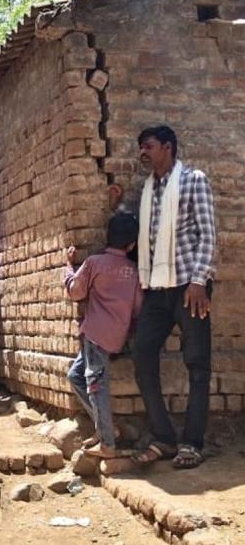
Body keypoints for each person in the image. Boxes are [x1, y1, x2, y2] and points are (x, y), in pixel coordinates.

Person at [124, 126, 216, 470]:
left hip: (190, 288)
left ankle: (192, 443)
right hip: (157, 290)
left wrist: (199, 281)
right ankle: (163, 437)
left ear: (167, 147)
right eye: (140, 147)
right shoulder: (148, 189)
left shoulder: (193, 180)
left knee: (197, 363)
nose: (143, 153)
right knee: (142, 354)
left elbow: (207, 235)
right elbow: (145, 236)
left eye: (148, 146)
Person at [65, 214, 141, 458]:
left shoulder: (94, 263)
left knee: (95, 386)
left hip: (95, 335)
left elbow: (75, 292)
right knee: (75, 376)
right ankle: (106, 428)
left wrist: (68, 268)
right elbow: (138, 308)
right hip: (117, 337)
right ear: (132, 244)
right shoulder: (134, 271)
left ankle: (108, 444)